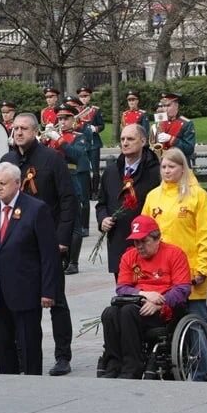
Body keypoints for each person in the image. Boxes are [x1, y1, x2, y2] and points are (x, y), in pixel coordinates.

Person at [1, 113, 79, 375]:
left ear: (36, 131)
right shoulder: (8, 160)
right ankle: (23, 353)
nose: (18, 133)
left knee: (55, 300)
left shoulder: (52, 159)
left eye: (24, 128)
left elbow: (68, 199)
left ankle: (62, 356)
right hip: (17, 244)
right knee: (20, 301)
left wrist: (62, 239)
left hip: (48, 242)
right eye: (15, 128)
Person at [0, 162, 60, 375]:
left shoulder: (36, 209)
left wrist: (48, 291)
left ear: (16, 184)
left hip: (26, 291)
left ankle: (32, 383)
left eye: (2, 183)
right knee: (3, 346)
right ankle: (7, 381)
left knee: (29, 344)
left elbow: (48, 254)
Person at [100, 215, 192, 379]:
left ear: (157, 239)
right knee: (109, 313)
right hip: (137, 303)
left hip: (162, 311)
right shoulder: (129, 256)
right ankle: (113, 364)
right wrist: (143, 294)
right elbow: (122, 288)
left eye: (144, 241)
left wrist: (159, 304)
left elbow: (183, 289)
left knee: (128, 312)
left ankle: (132, 366)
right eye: (136, 242)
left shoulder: (175, 254)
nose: (139, 246)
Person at [143, 148, 207, 323]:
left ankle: (201, 351)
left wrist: (202, 269)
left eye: (172, 166)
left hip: (190, 271)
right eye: (164, 167)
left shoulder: (198, 196)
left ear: (183, 168)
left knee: (195, 321)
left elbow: (206, 235)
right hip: (160, 272)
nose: (167, 171)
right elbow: (144, 233)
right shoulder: (153, 197)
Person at [95, 123, 161, 278]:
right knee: (124, 295)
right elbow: (101, 203)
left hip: (147, 244)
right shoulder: (111, 171)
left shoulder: (156, 172)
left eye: (130, 139)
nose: (125, 143)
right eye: (122, 139)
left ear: (143, 141)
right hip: (118, 243)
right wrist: (102, 219)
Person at [54, 102, 92, 273]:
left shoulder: (79, 137)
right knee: (58, 223)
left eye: (66, 118)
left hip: (71, 181)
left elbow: (77, 155)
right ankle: (62, 260)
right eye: (60, 118)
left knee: (75, 224)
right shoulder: (51, 136)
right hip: (53, 183)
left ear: (73, 119)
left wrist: (59, 140)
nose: (62, 122)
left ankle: (73, 262)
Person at [75, 86, 105, 193]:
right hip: (82, 143)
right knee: (84, 169)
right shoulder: (75, 111)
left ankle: (95, 191)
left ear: (89, 97)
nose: (83, 98)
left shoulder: (95, 110)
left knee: (95, 170)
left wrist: (95, 128)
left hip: (93, 143)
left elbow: (102, 125)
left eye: (85, 96)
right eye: (81, 96)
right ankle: (87, 191)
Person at [153, 92, 196, 165]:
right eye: (163, 106)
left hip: (180, 164)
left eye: (168, 106)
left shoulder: (186, 123)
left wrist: (171, 139)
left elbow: (189, 149)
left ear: (176, 106)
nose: (165, 109)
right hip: (163, 164)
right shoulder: (160, 122)